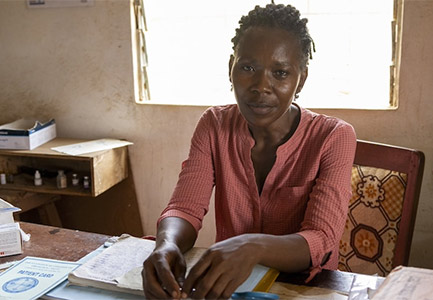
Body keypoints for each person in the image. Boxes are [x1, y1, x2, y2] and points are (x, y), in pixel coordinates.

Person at [142, 3, 356, 299]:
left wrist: (251, 246)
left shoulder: (334, 136)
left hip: (302, 289)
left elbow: (320, 239)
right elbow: (184, 208)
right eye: (248, 68)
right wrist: (167, 244)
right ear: (230, 68)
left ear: (301, 80)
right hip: (231, 287)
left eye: (280, 73)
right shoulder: (214, 124)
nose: (260, 86)